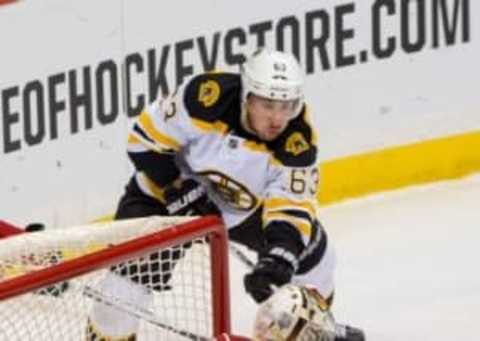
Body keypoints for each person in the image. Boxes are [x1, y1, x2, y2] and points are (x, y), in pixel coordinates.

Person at [89, 49, 364, 341]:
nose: (277, 118)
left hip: (241, 209)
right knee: (121, 292)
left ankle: (312, 332)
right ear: (247, 96)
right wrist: (179, 189)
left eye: (287, 105)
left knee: (315, 259)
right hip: (161, 195)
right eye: (268, 104)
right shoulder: (205, 98)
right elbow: (143, 142)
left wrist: (277, 261)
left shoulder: (297, 140)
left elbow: (292, 208)